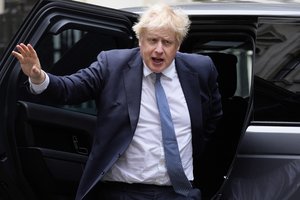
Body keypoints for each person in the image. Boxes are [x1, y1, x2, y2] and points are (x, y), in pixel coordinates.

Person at [12, 3, 222, 200]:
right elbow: (71, 89)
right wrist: (39, 77)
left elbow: (211, 118)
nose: (159, 49)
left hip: (179, 192)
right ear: (140, 40)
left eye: (167, 42)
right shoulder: (112, 64)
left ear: (178, 44)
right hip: (123, 192)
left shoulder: (200, 69)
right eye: (152, 40)